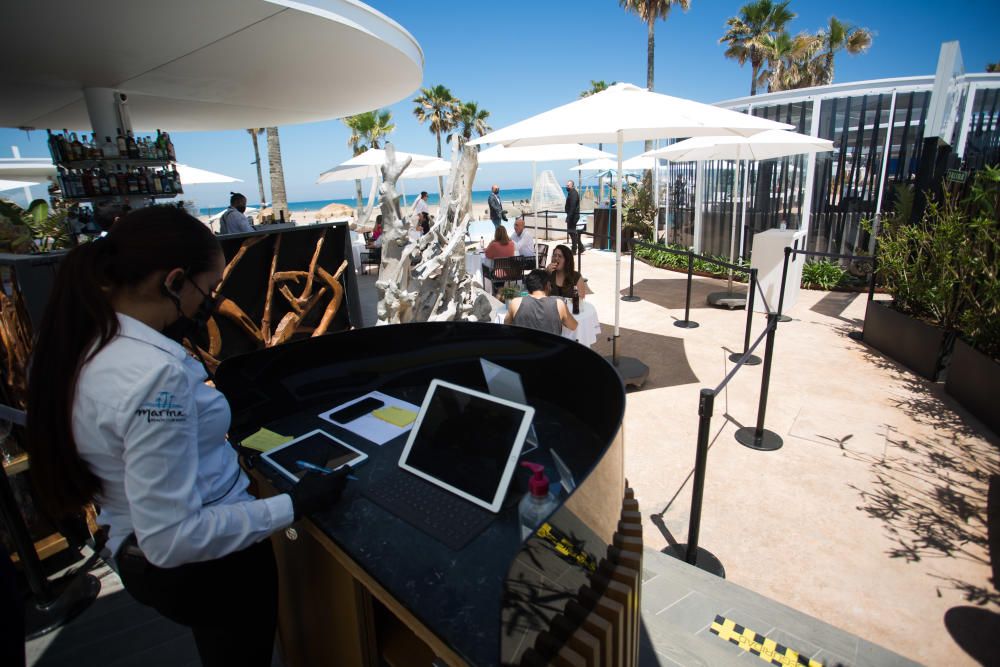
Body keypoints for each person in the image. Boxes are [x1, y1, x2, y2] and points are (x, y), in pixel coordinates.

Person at [24, 206, 348, 667]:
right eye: (208, 289)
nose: (209, 303)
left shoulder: (75, 344)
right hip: (211, 569)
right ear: (174, 281)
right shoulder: (155, 377)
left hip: (133, 549)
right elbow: (173, 538)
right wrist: (296, 504)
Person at [504, 269, 577, 335]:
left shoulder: (515, 303)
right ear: (548, 285)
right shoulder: (559, 304)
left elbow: (506, 325)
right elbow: (573, 326)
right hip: (551, 349)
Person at [564, 180, 581, 254]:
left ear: (572, 186)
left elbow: (572, 207)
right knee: (572, 232)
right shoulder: (571, 193)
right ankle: (581, 247)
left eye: (568, 185)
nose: (566, 187)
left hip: (573, 216)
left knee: (572, 232)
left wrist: (568, 217)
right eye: (566, 185)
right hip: (572, 216)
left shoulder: (573, 193)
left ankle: (575, 249)